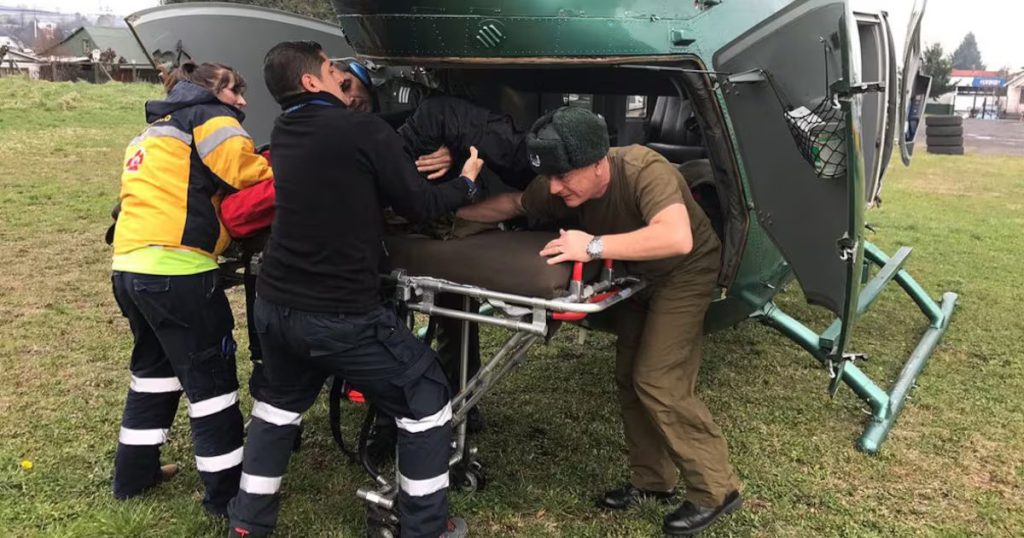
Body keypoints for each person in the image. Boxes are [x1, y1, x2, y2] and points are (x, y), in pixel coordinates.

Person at [226, 41, 480, 538]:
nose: (341, 76)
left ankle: (246, 526)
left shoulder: (286, 129)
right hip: (339, 314)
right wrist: (466, 181)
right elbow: (419, 204)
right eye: (330, 69)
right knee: (425, 394)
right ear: (310, 82)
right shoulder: (361, 128)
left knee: (277, 407)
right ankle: (426, 527)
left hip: (275, 305)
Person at [457, 106, 743, 536]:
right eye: (551, 177)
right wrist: (450, 214)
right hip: (635, 273)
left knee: (658, 380)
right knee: (630, 377)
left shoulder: (645, 168)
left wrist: (591, 245)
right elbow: (514, 204)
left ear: (597, 163)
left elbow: (676, 236)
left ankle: (716, 488)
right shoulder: (560, 181)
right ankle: (652, 482)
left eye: (564, 177)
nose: (554, 187)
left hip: (685, 271)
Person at [109, 61, 273, 517]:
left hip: (128, 267)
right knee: (212, 383)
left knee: (153, 373)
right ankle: (228, 498)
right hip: (178, 271)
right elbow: (252, 174)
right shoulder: (209, 118)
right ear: (205, 90)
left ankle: (134, 476)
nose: (241, 100)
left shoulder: (153, 131)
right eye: (233, 90)